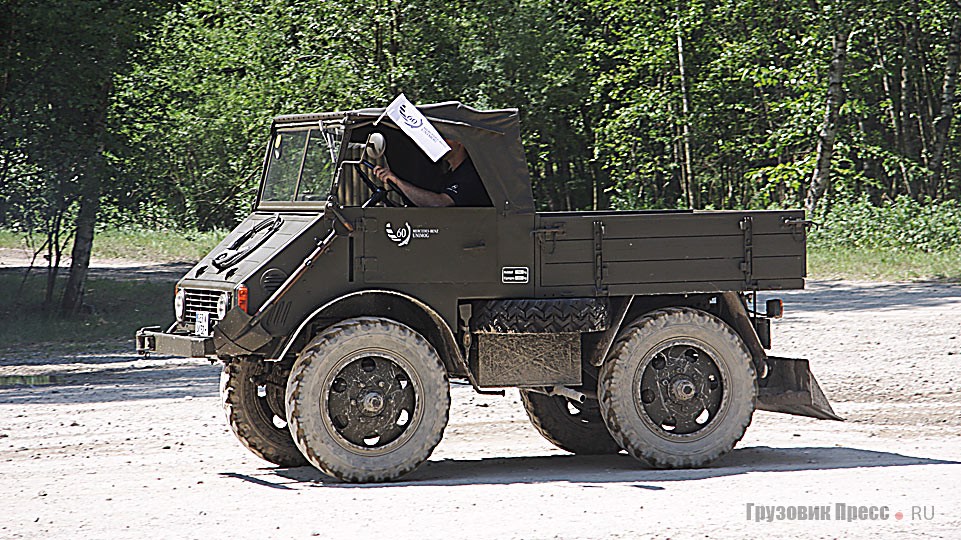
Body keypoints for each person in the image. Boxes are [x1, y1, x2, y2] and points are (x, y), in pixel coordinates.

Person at [373, 139, 492, 207]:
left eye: (445, 138)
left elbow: (440, 203)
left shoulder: (470, 174)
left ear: (459, 141)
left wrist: (397, 181)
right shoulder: (450, 175)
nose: (440, 142)